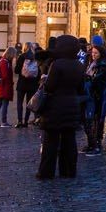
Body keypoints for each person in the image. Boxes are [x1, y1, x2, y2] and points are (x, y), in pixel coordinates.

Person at [36, 34, 85, 179]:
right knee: (69, 141)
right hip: (72, 106)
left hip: (55, 107)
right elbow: (81, 88)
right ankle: (69, 171)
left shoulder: (57, 64)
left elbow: (50, 87)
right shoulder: (79, 65)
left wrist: (44, 80)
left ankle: (46, 172)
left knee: (51, 142)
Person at [82, 43, 106, 154]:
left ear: (100, 53)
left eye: (95, 53)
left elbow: (97, 79)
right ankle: (92, 142)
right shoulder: (92, 63)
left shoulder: (102, 65)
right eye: (92, 52)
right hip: (92, 94)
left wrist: (88, 78)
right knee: (91, 118)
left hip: (98, 94)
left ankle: (96, 141)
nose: (93, 55)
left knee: (96, 118)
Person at [15, 44, 41, 127]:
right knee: (29, 103)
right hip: (32, 85)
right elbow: (39, 72)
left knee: (19, 102)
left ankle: (19, 121)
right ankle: (26, 121)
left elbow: (16, 70)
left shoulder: (22, 56)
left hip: (22, 84)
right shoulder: (36, 57)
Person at [0, 46, 15, 128]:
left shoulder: (2, 61)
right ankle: (3, 122)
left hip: (1, 86)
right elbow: (4, 75)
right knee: (4, 104)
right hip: (4, 87)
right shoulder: (5, 62)